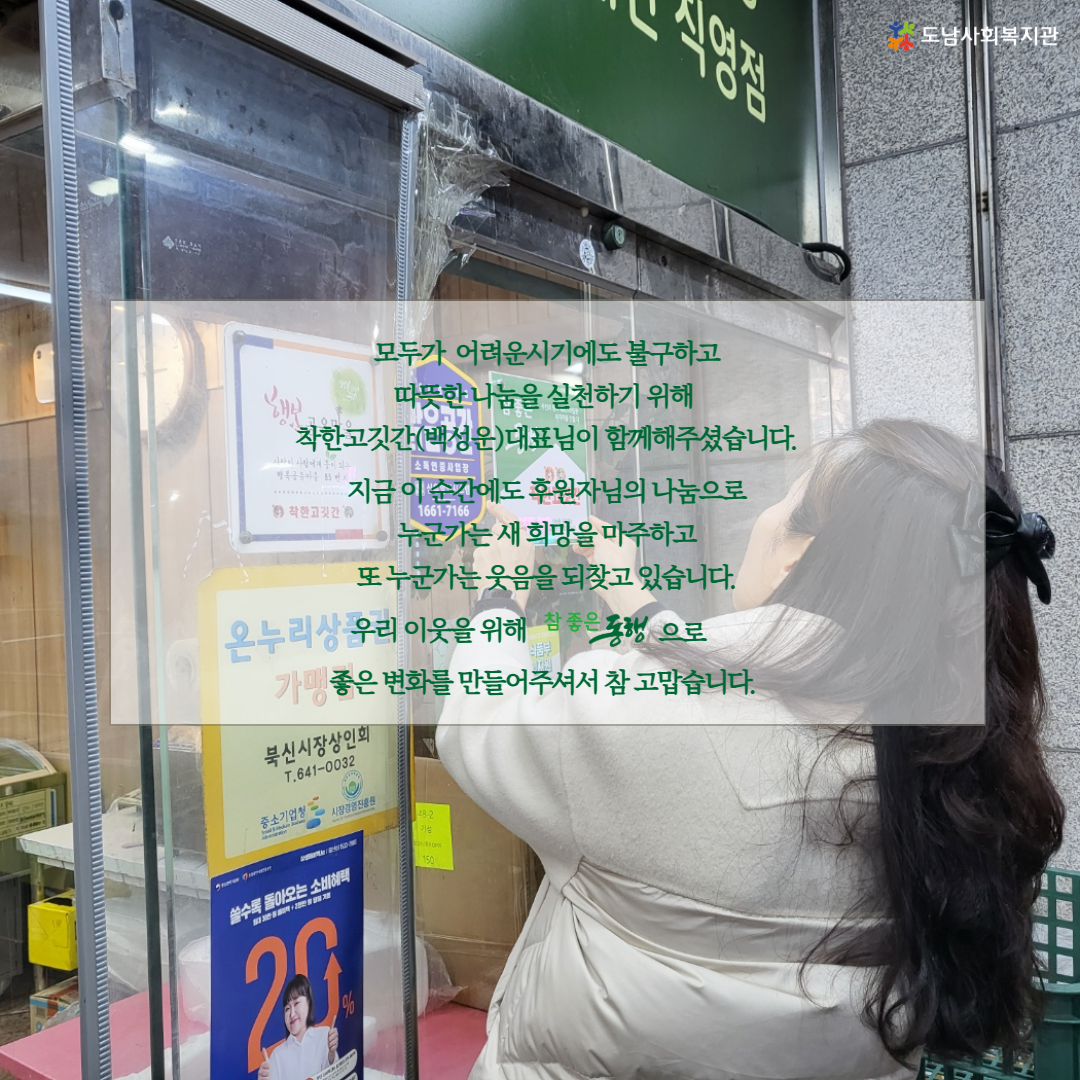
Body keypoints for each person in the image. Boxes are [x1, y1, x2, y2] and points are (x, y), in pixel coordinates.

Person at [436, 418, 1064, 1080]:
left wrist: (498, 596)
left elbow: (482, 724)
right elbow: (756, 683)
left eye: (784, 498)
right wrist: (638, 603)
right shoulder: (959, 753)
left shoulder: (640, 715)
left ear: (796, 558)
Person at [257, 974, 339, 1080]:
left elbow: (334, 1075)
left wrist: (331, 1054)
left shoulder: (323, 1035)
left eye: (296, 1003)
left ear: (309, 1003)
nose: (292, 1014)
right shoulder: (277, 1055)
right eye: (287, 1009)